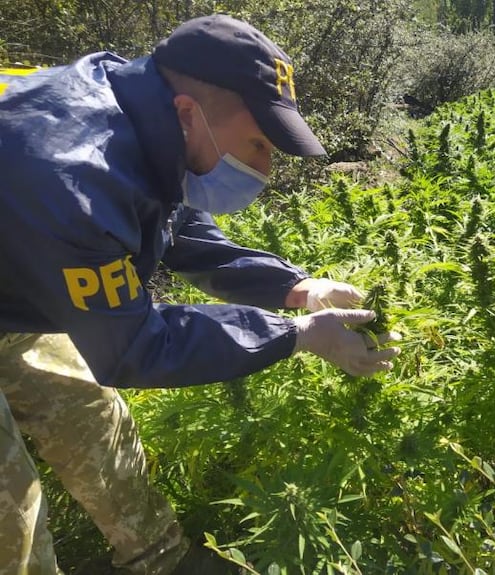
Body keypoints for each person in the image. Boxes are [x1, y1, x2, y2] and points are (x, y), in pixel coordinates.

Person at [0, 13, 401, 575]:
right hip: (31, 241)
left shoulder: (139, 105)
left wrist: (293, 288)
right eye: (258, 144)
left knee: (91, 413)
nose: (263, 169)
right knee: (9, 506)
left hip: (16, 273)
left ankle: (159, 559)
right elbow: (135, 347)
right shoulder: (72, 181)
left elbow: (173, 225)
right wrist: (298, 334)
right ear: (189, 114)